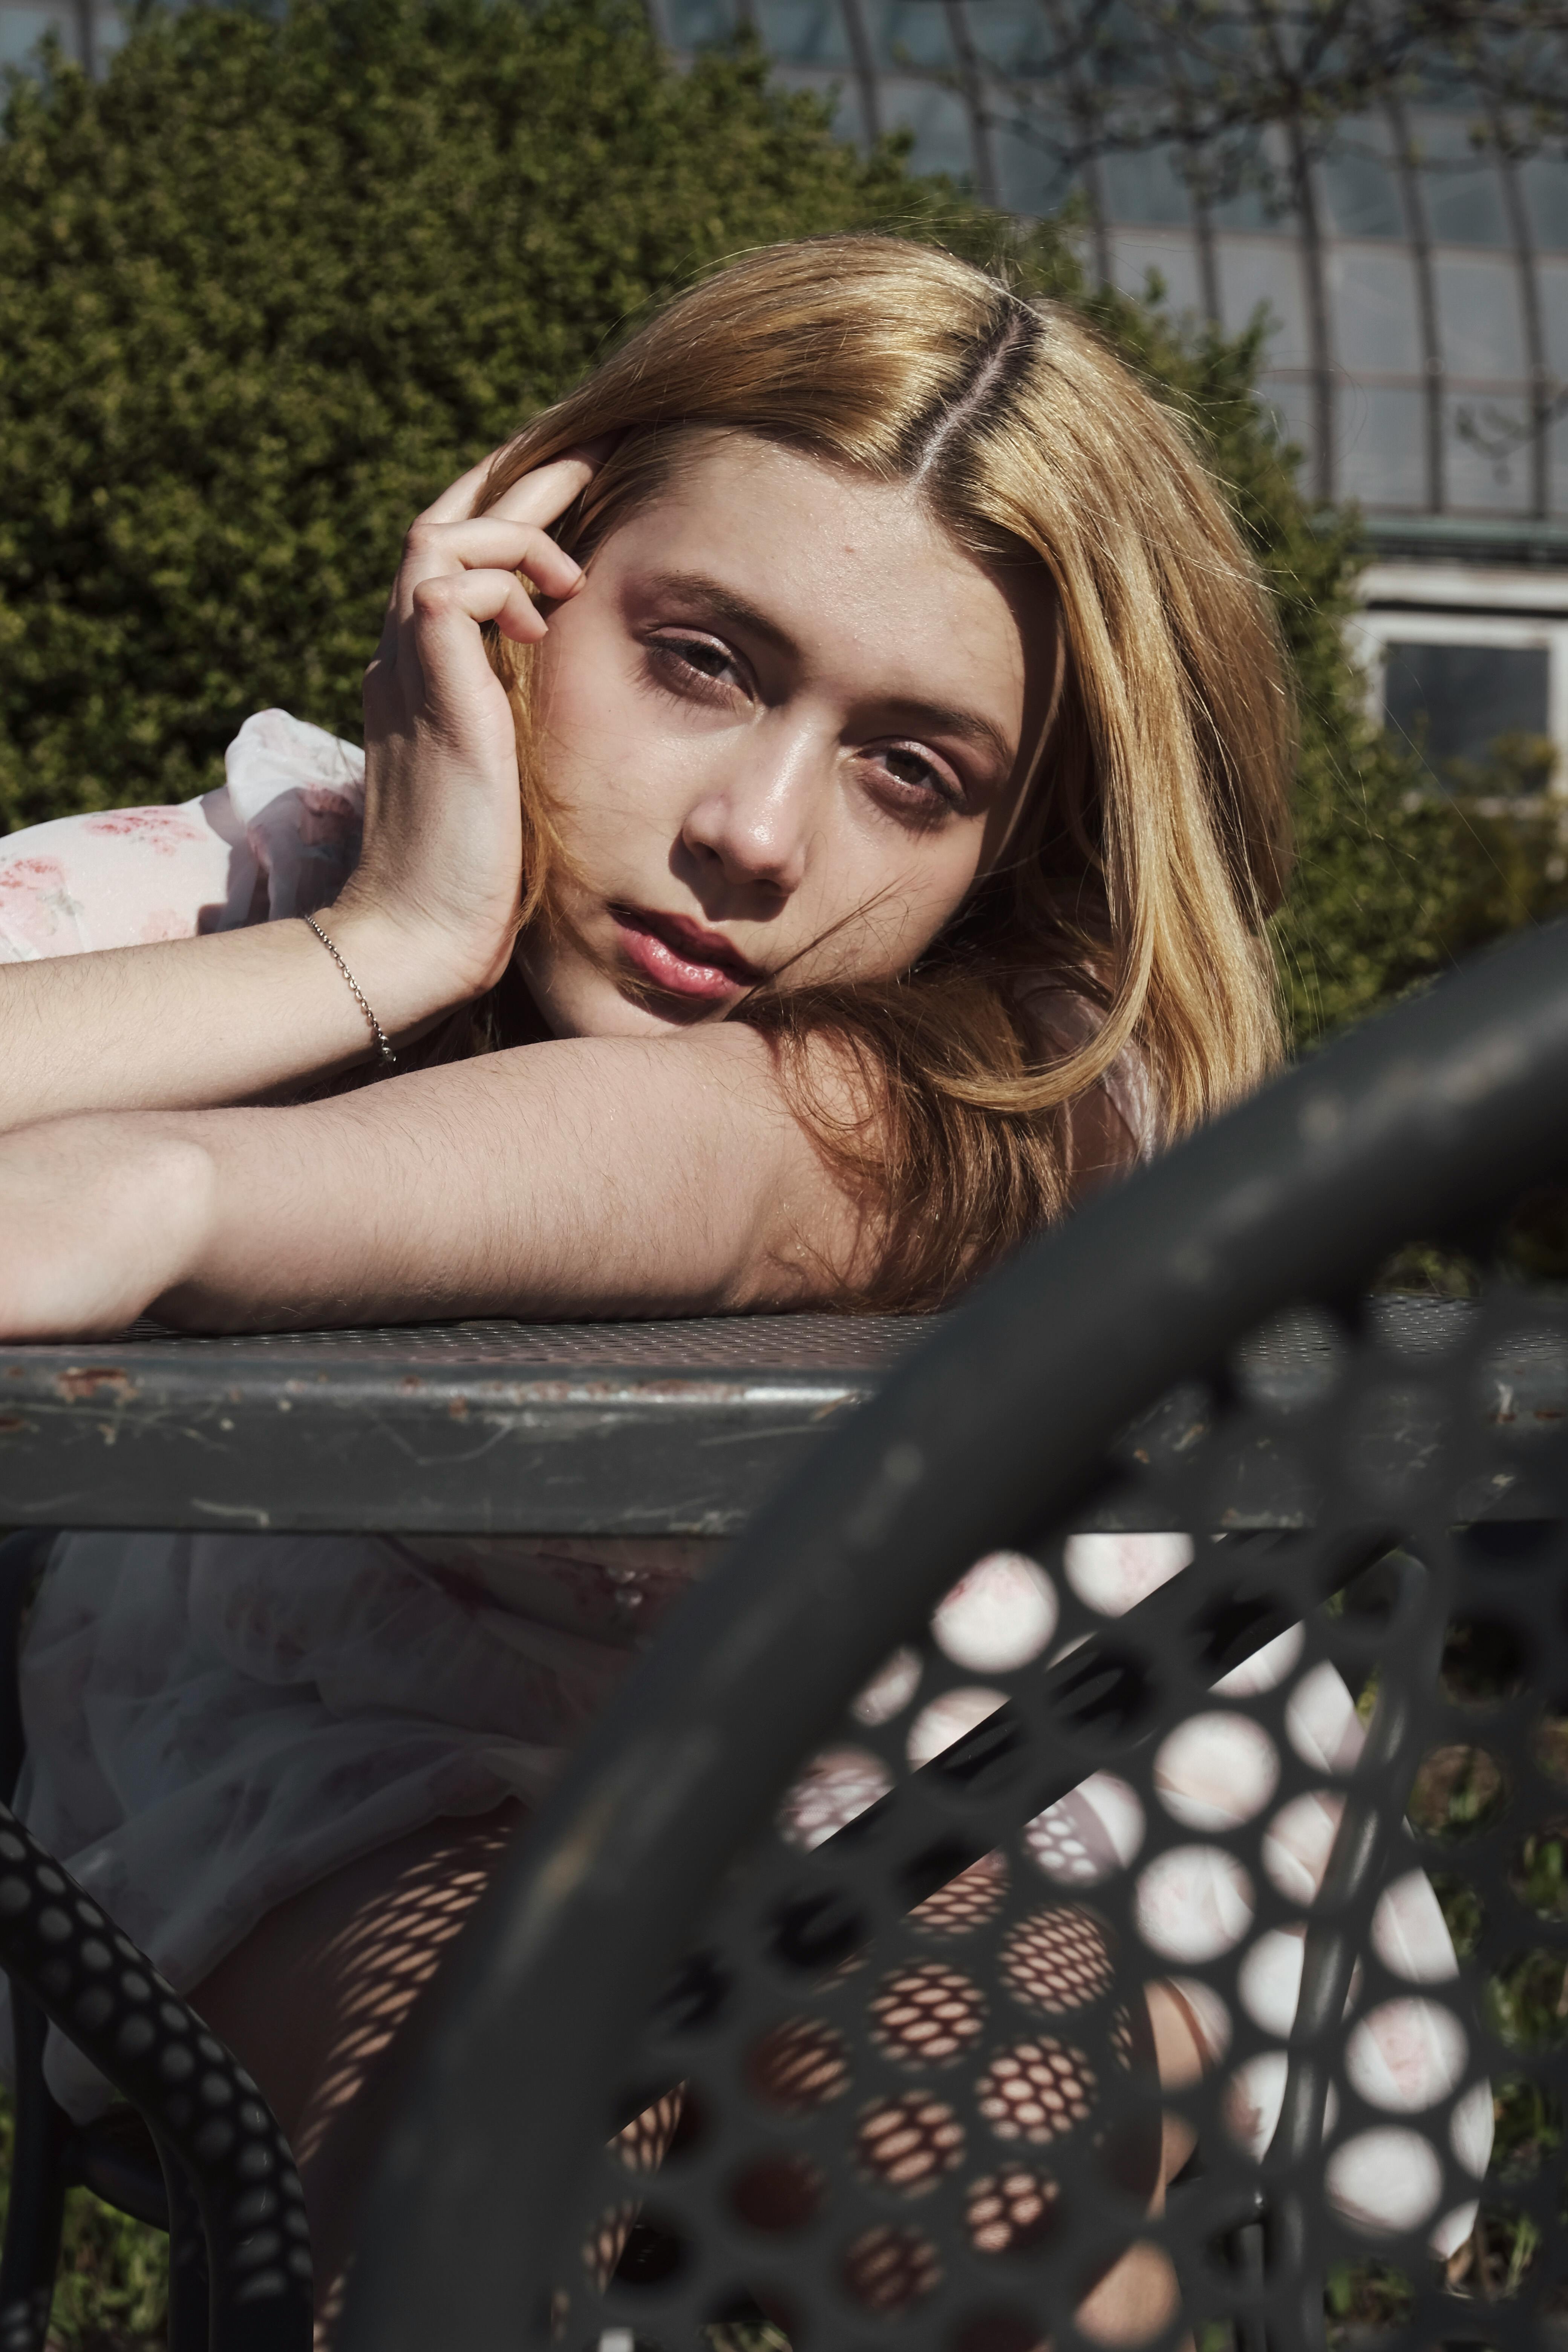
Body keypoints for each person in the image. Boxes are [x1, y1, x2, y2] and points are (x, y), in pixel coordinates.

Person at [0, 236, 1471, 2341]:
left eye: (914, 770)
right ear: (534, 555)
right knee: (450, 2160)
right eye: (702, 658)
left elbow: (739, 1168)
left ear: (1011, 842)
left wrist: (152, 1191)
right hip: (362, 1761)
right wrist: (374, 954)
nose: (759, 836)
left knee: (991, 2154)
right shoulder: (242, 898)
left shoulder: (1036, 1070)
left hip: (987, 1761)